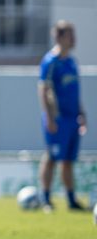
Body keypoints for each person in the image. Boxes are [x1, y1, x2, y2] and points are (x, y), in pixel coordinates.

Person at [38, 20, 87, 212]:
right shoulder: (51, 61)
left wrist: (82, 113)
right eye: (69, 35)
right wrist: (50, 117)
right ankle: (46, 198)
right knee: (52, 157)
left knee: (68, 160)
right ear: (59, 37)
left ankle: (71, 199)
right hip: (57, 119)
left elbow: (75, 92)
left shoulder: (72, 62)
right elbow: (43, 89)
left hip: (72, 118)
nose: (73, 39)